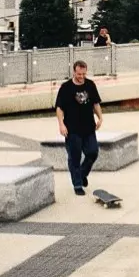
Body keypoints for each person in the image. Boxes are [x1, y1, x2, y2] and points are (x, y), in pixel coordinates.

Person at [55, 60, 103, 196]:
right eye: (79, 74)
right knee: (74, 157)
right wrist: (61, 124)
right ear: (74, 72)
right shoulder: (66, 87)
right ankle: (77, 184)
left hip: (88, 127)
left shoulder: (90, 85)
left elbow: (95, 103)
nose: (81, 77)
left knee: (93, 152)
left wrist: (100, 118)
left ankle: (82, 174)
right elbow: (59, 108)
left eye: (83, 74)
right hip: (72, 129)